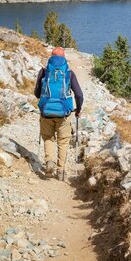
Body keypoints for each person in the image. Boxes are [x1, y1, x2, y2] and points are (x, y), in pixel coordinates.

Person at [34, 47, 83, 181]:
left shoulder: (44, 72)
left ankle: (49, 161)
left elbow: (37, 93)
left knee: (48, 138)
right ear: (64, 57)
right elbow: (78, 94)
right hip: (64, 115)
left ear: (51, 56)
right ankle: (60, 171)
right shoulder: (69, 73)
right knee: (63, 141)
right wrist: (78, 109)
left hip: (46, 113)